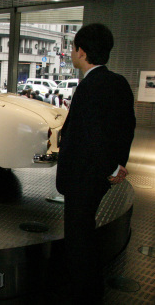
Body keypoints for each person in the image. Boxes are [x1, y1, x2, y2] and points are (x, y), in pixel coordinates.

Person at [56, 23, 136, 304]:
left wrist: (111, 168)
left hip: (83, 177)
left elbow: (93, 136)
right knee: (85, 234)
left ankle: (85, 294)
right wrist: (118, 165)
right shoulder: (119, 83)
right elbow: (127, 127)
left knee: (79, 241)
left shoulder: (89, 88)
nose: (72, 53)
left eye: (73, 48)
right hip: (99, 178)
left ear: (82, 51)